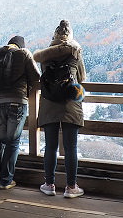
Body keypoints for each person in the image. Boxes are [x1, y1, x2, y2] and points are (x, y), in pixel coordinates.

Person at [33, 19, 86, 198]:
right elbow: (82, 77)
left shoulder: (44, 55)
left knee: (50, 146)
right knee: (71, 147)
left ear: (54, 35)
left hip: (49, 104)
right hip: (71, 104)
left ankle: (49, 185)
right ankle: (71, 187)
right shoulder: (75, 52)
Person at [0, 36, 41, 190]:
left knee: (1, 140)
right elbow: (36, 76)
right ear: (20, 45)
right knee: (13, 141)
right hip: (17, 102)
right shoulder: (24, 54)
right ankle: (6, 180)